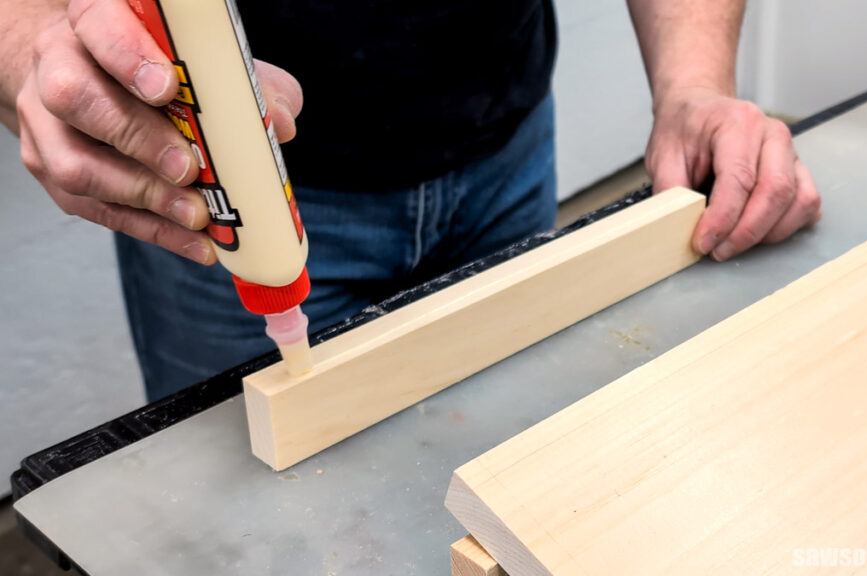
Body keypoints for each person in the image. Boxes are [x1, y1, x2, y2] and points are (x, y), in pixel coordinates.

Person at [0, 0, 821, 401]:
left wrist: (694, 87)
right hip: (220, 201)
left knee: (511, 446)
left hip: (504, 138)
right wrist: (27, 46)